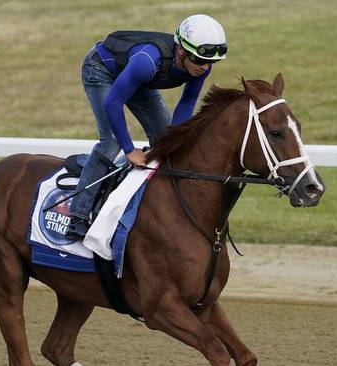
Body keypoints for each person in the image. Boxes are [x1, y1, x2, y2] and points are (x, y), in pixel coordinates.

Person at [67, 14, 228, 239]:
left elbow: (187, 103)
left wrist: (173, 142)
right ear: (181, 50)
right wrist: (129, 150)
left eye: (211, 62)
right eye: (200, 60)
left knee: (165, 141)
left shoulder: (201, 65)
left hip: (139, 79)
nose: (205, 67)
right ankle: (78, 214)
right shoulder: (146, 63)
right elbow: (113, 102)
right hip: (101, 70)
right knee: (111, 142)